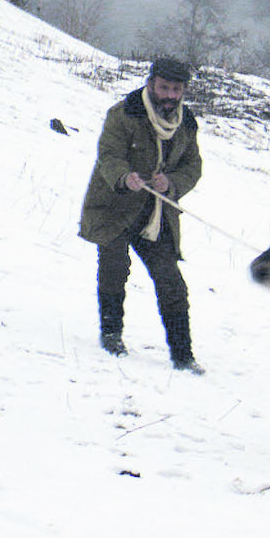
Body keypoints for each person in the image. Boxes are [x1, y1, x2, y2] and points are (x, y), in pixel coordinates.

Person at [78, 57, 205, 373]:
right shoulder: (123, 113)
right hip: (114, 207)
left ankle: (183, 355)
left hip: (156, 215)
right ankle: (111, 333)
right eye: (164, 87)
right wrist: (124, 177)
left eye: (177, 90)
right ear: (150, 84)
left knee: (171, 281)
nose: (170, 95)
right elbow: (109, 155)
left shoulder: (186, 123)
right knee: (114, 268)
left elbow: (193, 166)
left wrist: (172, 183)